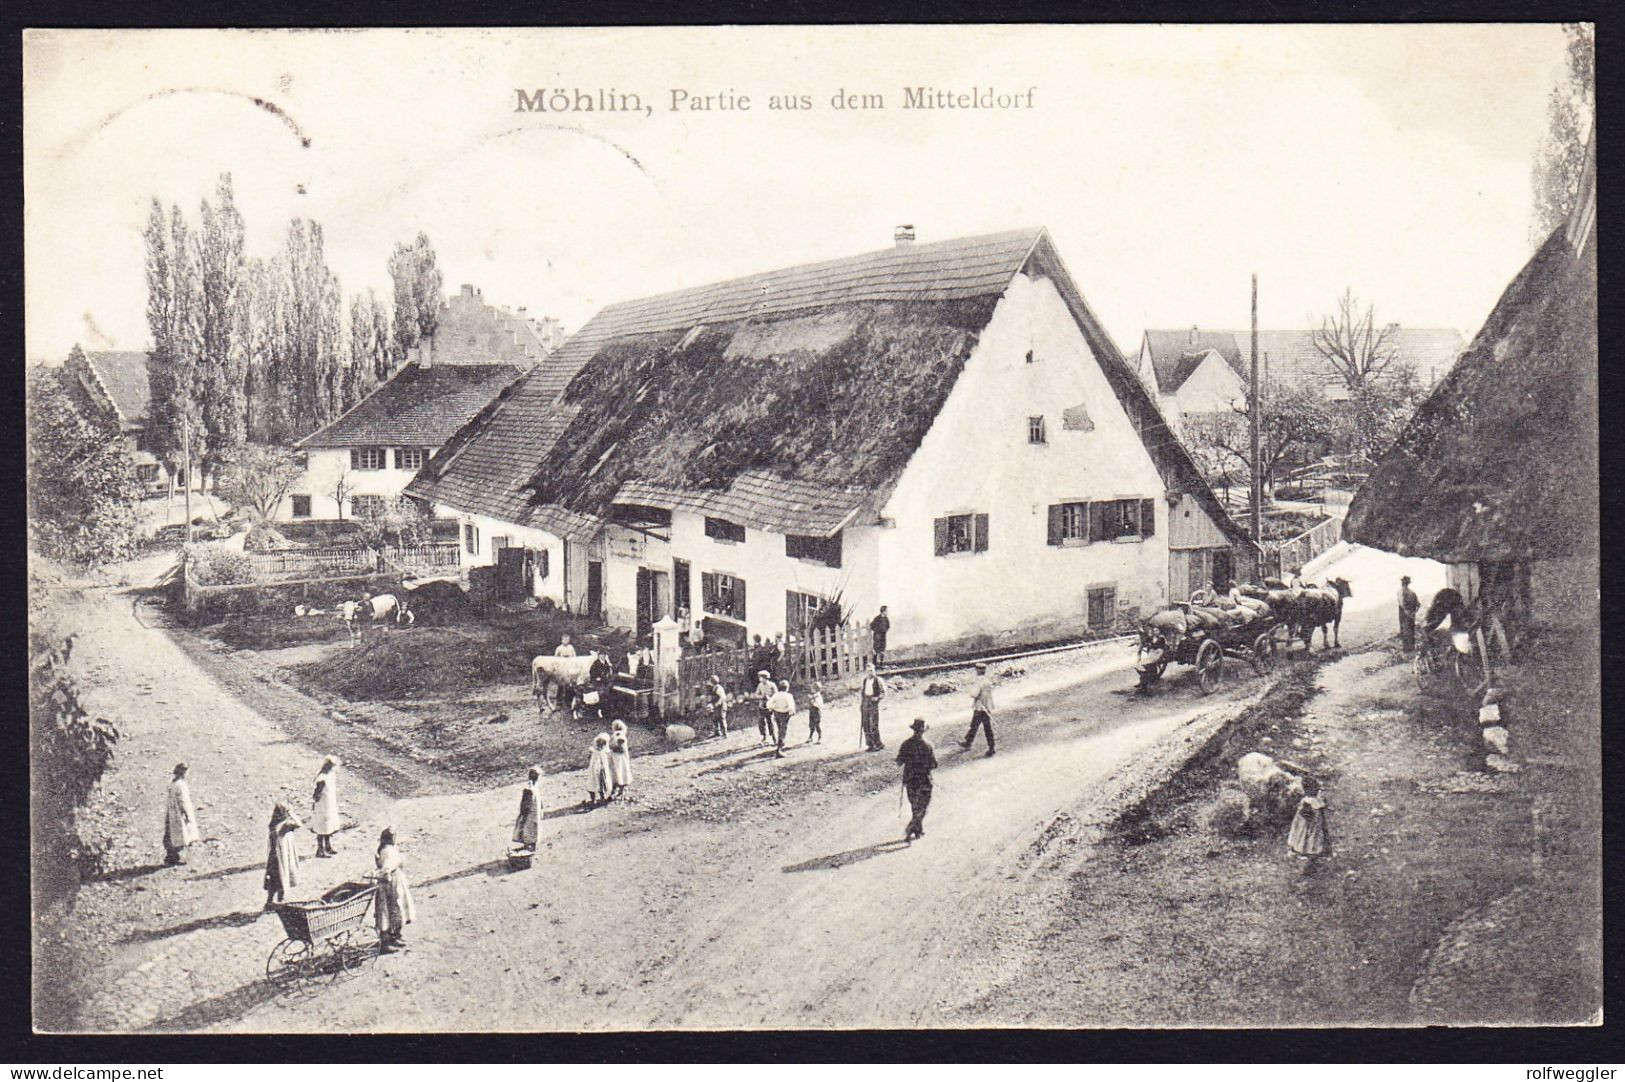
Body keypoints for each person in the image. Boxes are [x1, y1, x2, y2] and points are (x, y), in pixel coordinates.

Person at [373, 828, 416, 952]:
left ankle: (395, 936)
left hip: (397, 881)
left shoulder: (392, 849)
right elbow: (386, 868)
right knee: (388, 910)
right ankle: (386, 941)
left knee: (398, 909)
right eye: (393, 836)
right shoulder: (387, 851)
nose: (394, 838)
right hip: (390, 884)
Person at [896, 718, 938, 842]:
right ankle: (912, 828)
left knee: (915, 805)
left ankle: (917, 830)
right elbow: (934, 764)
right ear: (923, 731)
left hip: (910, 780)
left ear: (913, 730)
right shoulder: (928, 745)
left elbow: (899, 761)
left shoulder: (905, 744)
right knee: (923, 807)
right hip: (924, 780)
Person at [264, 802, 303, 909]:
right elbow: (299, 824)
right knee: (282, 878)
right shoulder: (284, 826)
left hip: (274, 857)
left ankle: (269, 901)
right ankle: (280, 902)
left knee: (273, 880)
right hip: (282, 858)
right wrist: (292, 814)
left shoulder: (273, 825)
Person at [1286, 778, 1330, 871]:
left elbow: (1312, 812)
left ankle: (1308, 853)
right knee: (1308, 837)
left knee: (1308, 836)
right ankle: (1308, 854)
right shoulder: (1311, 801)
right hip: (1310, 824)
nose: (1317, 791)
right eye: (1316, 789)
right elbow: (1308, 813)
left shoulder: (1311, 800)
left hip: (1310, 824)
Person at [163, 763, 199, 866]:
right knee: (180, 835)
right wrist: (186, 814)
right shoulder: (181, 785)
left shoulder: (171, 783)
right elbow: (182, 801)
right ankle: (173, 857)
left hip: (171, 812)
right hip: (178, 813)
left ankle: (171, 857)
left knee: (171, 834)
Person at [961, 663, 996, 757]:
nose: (976, 671)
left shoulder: (979, 681)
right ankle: (968, 742)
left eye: (977, 669)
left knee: (980, 726)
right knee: (976, 726)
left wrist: (970, 692)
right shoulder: (987, 680)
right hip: (986, 707)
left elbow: (974, 694)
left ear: (979, 671)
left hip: (980, 708)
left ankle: (991, 747)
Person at [310, 755, 342, 857]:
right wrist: (316, 805)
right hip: (323, 806)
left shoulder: (331, 775)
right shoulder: (322, 779)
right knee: (321, 827)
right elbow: (316, 794)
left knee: (329, 826)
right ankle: (320, 849)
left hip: (330, 804)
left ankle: (328, 846)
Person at [512, 767, 541, 853]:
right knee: (530, 830)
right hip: (532, 814)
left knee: (529, 830)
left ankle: (529, 847)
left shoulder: (531, 788)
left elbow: (527, 804)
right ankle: (529, 847)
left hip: (531, 814)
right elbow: (528, 804)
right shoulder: (532, 789)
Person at [859, 663, 885, 751]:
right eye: (868, 671)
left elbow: (883, 692)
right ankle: (870, 745)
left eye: (871, 671)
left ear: (874, 671)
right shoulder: (865, 681)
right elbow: (863, 693)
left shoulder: (878, 680)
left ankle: (877, 744)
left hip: (873, 703)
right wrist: (862, 704)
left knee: (873, 724)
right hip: (866, 702)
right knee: (865, 724)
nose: (870, 673)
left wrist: (877, 698)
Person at [768, 680, 796, 758]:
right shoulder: (788, 695)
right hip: (785, 714)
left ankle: (780, 745)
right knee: (783, 730)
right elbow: (791, 705)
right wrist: (792, 711)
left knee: (780, 728)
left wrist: (771, 708)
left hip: (777, 713)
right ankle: (779, 750)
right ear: (787, 688)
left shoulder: (776, 695)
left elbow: (769, 703)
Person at [585, 733, 614, 806]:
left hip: (594, 771)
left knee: (593, 785)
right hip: (601, 771)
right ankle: (602, 798)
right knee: (602, 785)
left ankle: (593, 800)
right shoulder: (604, 753)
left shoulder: (594, 752)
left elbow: (590, 758)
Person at [609, 720, 634, 796]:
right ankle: (620, 788)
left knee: (616, 771)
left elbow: (620, 741)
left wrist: (614, 746)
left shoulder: (617, 734)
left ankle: (615, 788)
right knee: (621, 770)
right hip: (619, 756)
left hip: (617, 756)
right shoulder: (619, 734)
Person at [753, 671, 777, 745]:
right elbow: (756, 694)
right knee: (761, 722)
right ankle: (764, 737)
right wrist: (761, 697)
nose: (760, 679)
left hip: (769, 706)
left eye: (761, 677)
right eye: (760, 677)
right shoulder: (760, 685)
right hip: (762, 706)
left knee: (770, 722)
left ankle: (774, 738)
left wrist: (769, 698)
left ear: (766, 678)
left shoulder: (772, 685)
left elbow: (776, 695)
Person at [1398, 576, 1420, 654]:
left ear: (1403, 583)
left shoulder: (1401, 592)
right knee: (1411, 630)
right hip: (1412, 615)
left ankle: (1407, 650)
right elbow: (1418, 604)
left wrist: (1406, 611)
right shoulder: (1412, 593)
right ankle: (1411, 649)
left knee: (1405, 631)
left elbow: (1402, 604)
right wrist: (1414, 612)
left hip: (1404, 615)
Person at [707, 674, 730, 739]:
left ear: (712, 682)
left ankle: (725, 733)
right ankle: (717, 732)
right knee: (715, 718)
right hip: (716, 706)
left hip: (721, 706)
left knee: (721, 718)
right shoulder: (713, 688)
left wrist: (717, 703)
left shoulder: (719, 688)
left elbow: (723, 697)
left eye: (710, 681)